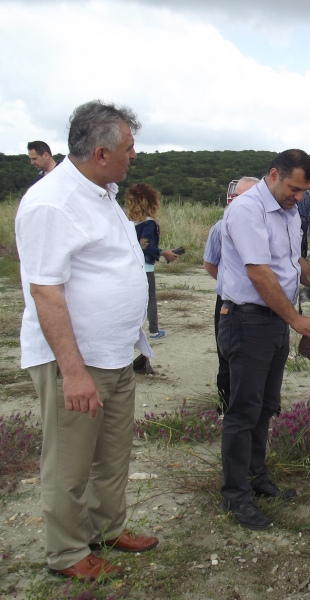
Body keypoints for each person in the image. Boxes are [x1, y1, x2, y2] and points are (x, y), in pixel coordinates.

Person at [15, 100, 160, 582]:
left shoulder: (101, 191)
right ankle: (68, 552)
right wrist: (73, 372)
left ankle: (107, 528)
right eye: (129, 147)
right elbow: (45, 291)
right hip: (76, 361)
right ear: (101, 153)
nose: (133, 155)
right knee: (71, 462)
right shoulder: (52, 201)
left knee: (112, 455)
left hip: (116, 354)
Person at [217, 149, 310, 530]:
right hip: (248, 320)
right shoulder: (248, 210)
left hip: (273, 322)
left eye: (304, 192)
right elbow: (259, 273)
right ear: (273, 175)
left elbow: (290, 261)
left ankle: (256, 477)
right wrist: (296, 318)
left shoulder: (288, 212)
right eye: (294, 189)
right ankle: (235, 496)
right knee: (242, 410)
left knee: (265, 406)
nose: (299, 198)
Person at [202, 176, 260, 414]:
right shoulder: (219, 227)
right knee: (226, 358)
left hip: (260, 304)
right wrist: (232, 284)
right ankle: (225, 408)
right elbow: (209, 264)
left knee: (259, 359)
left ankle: (262, 409)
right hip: (227, 303)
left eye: (246, 197)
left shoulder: (265, 227)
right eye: (236, 196)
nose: (239, 201)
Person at [125, 183, 179, 339]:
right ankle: (154, 330)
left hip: (127, 265)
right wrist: (163, 253)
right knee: (150, 298)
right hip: (145, 266)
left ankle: (130, 331)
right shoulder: (149, 223)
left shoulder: (125, 221)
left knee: (130, 298)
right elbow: (146, 245)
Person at [298, 187, 310, 259]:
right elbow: (309, 206)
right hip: (305, 218)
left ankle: (299, 256)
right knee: (304, 238)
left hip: (298, 217)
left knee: (298, 238)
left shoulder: (297, 191)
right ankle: (304, 255)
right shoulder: (309, 193)